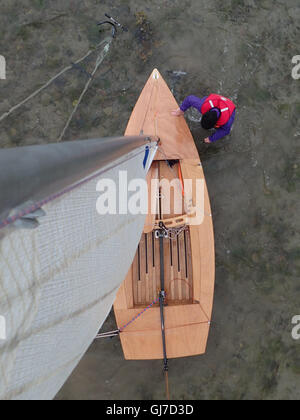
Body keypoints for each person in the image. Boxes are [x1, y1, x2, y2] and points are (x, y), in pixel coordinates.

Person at [172, 94, 236, 143]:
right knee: (204, 100)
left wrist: (211, 139)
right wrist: (181, 110)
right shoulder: (202, 106)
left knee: (222, 129)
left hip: (229, 107)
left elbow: (226, 131)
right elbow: (189, 99)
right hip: (214, 100)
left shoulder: (227, 122)